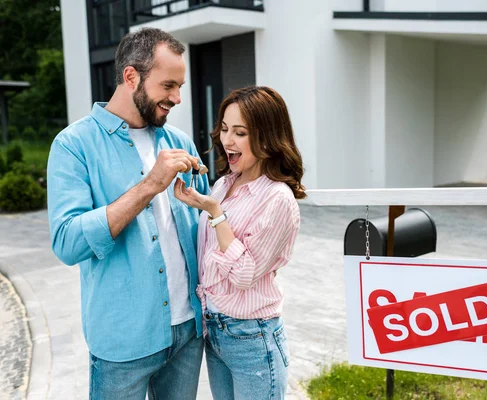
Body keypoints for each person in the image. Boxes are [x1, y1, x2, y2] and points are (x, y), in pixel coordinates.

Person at [47, 28, 209, 399]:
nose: (177, 98)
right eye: (168, 85)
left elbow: (206, 222)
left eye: (180, 86)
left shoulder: (179, 142)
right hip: (123, 344)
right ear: (131, 76)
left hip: (188, 332)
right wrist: (150, 185)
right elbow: (67, 243)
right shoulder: (73, 146)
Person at [174, 86, 305, 399]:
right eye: (223, 129)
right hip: (215, 331)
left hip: (252, 337)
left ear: (267, 137)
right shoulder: (223, 184)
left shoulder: (277, 199)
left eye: (240, 132)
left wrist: (215, 213)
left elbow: (244, 274)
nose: (226, 140)